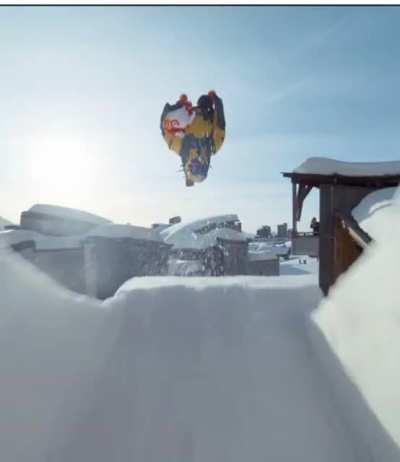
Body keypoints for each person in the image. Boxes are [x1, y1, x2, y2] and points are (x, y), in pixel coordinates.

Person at [160, 91, 226, 186]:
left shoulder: (181, 148)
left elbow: (164, 129)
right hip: (205, 115)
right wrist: (217, 101)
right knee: (206, 105)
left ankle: (199, 105)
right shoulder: (213, 146)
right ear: (204, 166)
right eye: (199, 167)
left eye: (192, 168)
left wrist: (177, 106)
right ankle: (206, 104)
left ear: (188, 168)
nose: (195, 164)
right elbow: (220, 124)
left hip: (188, 114)